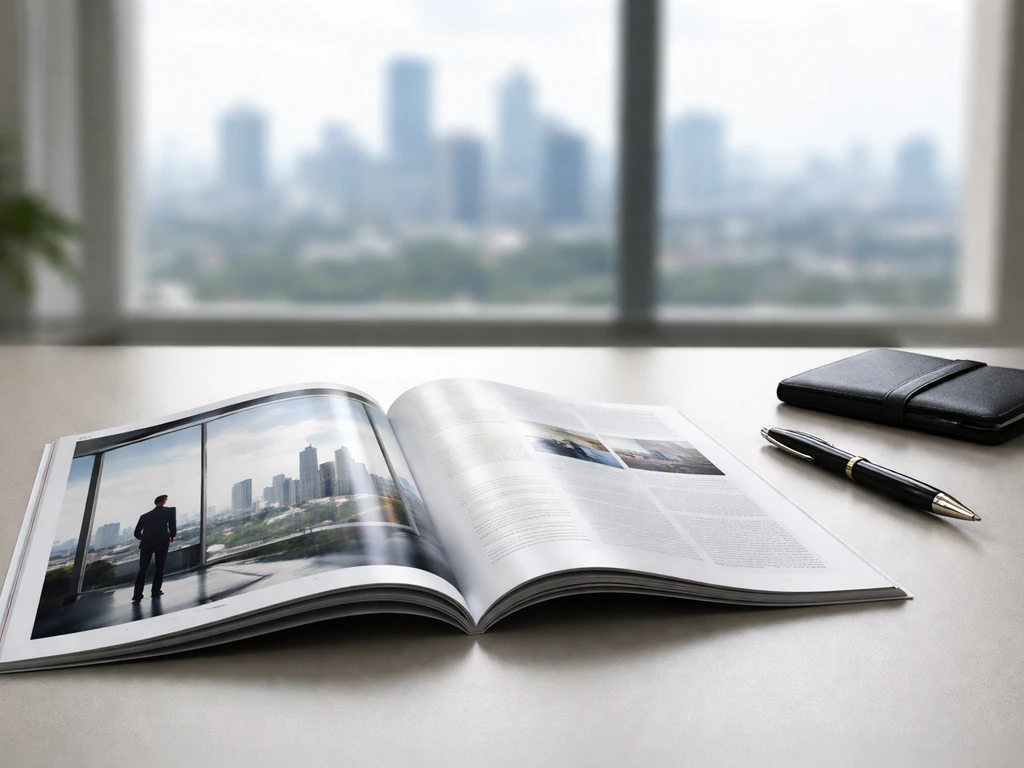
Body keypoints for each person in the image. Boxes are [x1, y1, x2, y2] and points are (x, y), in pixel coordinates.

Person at [132, 494, 176, 603]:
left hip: (146, 543)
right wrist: (171, 535)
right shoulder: (170, 510)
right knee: (159, 567)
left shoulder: (144, 516)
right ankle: (155, 592)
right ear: (164, 501)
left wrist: (146, 537)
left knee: (142, 569)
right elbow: (172, 526)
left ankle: (137, 595)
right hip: (162, 541)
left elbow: (137, 533)